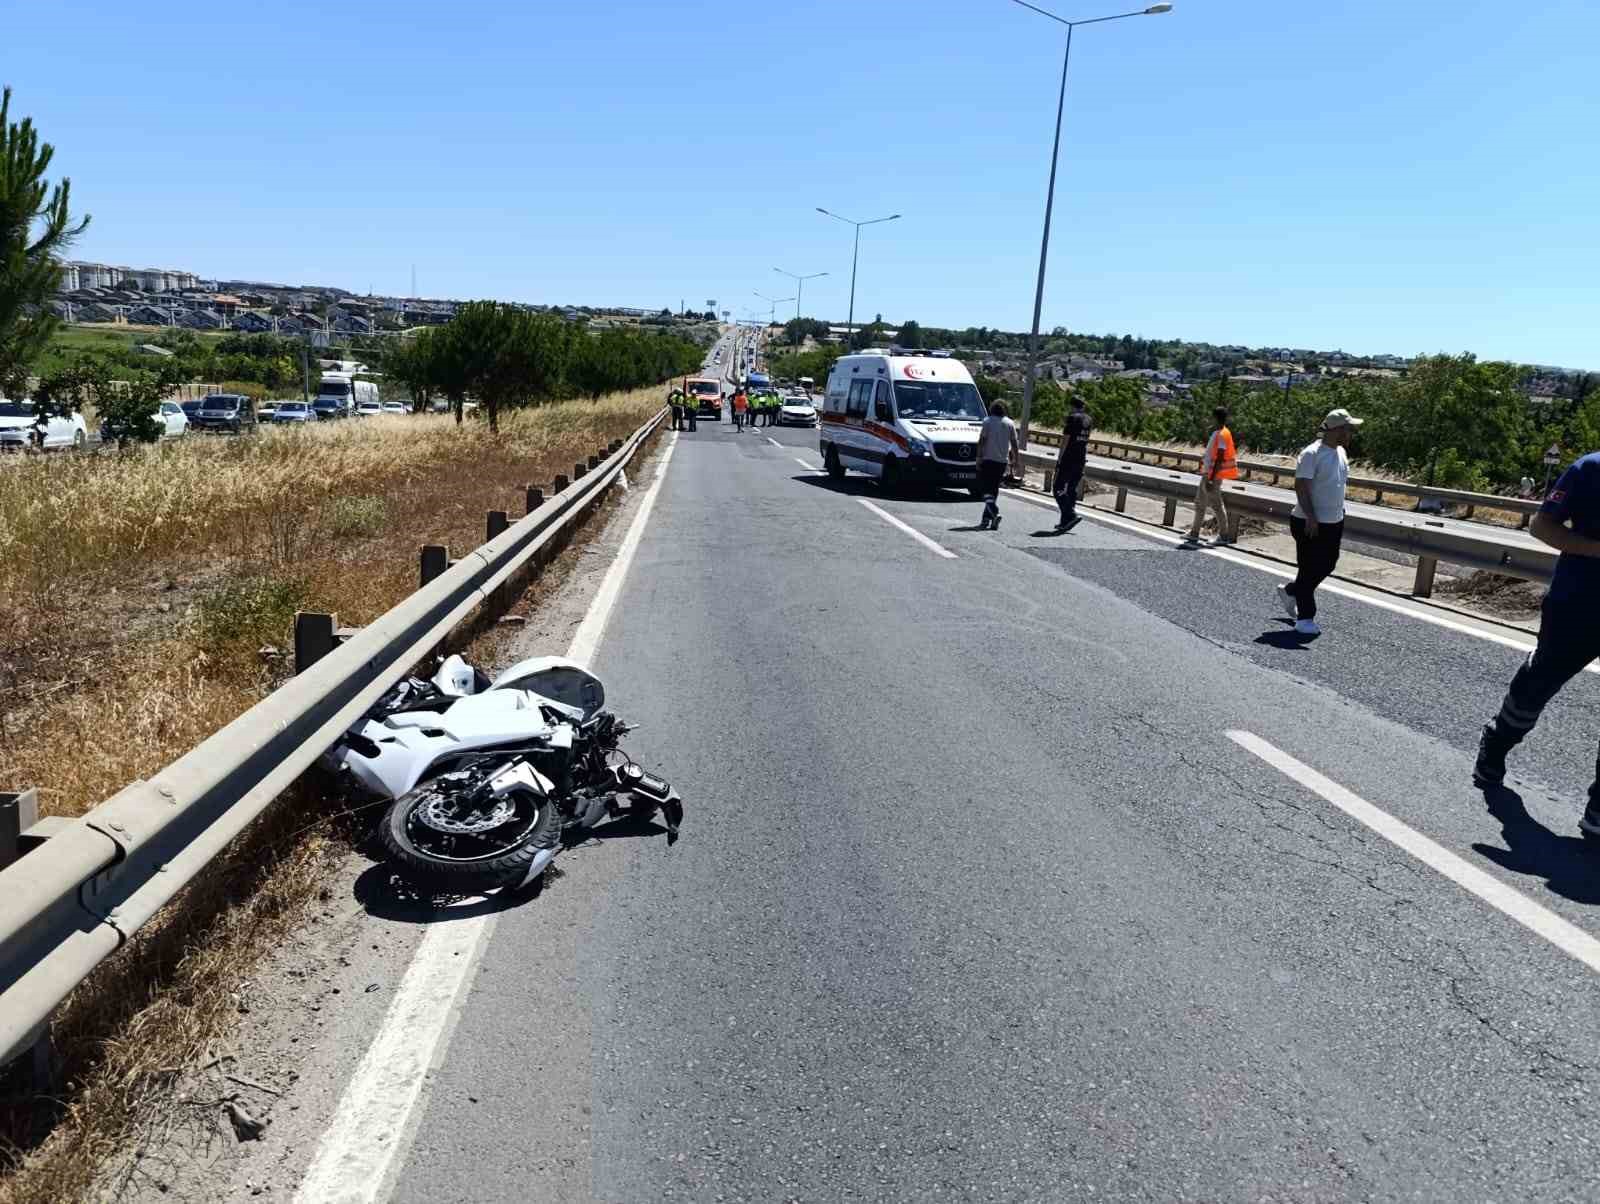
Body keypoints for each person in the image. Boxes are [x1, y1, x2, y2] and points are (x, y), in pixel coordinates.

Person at [1474, 450, 1600, 834]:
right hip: (1578, 603)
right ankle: (1497, 743)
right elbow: (1543, 527)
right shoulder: (1590, 468)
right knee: (1540, 682)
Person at [1276, 408, 1361, 637]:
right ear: (1336, 430)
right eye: (1348, 428)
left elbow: (1337, 484)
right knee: (1308, 567)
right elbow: (1301, 487)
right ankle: (1305, 618)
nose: (1351, 433)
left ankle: (1292, 591)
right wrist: (1312, 517)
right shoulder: (1311, 453)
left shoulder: (1341, 452)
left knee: (1328, 564)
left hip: (1334, 520)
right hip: (1308, 521)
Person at [1184, 406, 1239, 544]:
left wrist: (1211, 478)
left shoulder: (1222, 434)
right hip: (1208, 474)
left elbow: (1220, 457)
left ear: (1215, 418)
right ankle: (1194, 533)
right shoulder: (1220, 432)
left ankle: (1224, 535)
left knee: (1216, 505)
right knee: (1200, 503)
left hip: (1213, 476)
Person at [976, 400, 1019, 531]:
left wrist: (978, 457)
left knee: (985, 489)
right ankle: (986, 519)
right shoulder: (1010, 423)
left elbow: (982, 440)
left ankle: (994, 512)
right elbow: (1014, 443)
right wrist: (1016, 460)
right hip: (1002, 462)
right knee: (993, 489)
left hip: (988, 459)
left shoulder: (987, 421)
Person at [1054, 396, 1093, 533]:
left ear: (1072, 406)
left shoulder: (1072, 418)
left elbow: (1065, 441)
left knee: (1058, 488)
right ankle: (1065, 521)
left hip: (1068, 459)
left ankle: (1070, 515)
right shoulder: (1088, 420)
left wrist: (1059, 460)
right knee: (1071, 489)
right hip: (1081, 458)